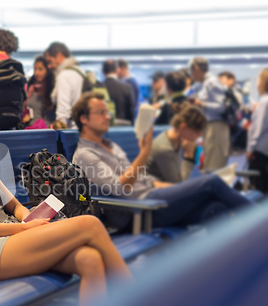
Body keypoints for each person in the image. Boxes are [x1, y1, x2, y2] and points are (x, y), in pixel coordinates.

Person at [0, 98, 132, 306]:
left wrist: (30, 219)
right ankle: (138, 303)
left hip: (13, 236)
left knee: (89, 260)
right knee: (89, 223)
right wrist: (22, 229)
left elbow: (16, 206)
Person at [71, 92, 251, 229]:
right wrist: (144, 153)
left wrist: (175, 189)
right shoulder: (85, 155)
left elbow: (143, 180)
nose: (108, 116)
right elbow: (120, 188)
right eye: (101, 112)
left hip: (152, 197)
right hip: (138, 208)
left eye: (107, 112)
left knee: (215, 209)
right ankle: (260, 221)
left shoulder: (111, 145)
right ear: (84, 119)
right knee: (212, 183)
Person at [146, 103, 207, 183]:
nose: (199, 135)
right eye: (197, 131)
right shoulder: (164, 149)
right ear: (183, 127)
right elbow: (178, 186)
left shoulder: (175, 141)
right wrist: (189, 157)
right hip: (152, 192)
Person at [190, 57, 229, 170]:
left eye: (191, 70)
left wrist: (202, 104)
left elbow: (222, 107)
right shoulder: (204, 83)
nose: (190, 74)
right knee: (209, 164)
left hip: (216, 127)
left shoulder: (211, 81)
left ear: (196, 68)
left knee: (213, 166)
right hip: (210, 127)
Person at [44, 42, 84, 128]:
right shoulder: (80, 72)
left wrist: (60, 131)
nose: (49, 66)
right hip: (83, 127)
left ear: (59, 56)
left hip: (72, 130)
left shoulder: (64, 76)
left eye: (50, 61)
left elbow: (63, 111)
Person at [247, 68, 268, 193]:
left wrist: (250, 148)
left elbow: (258, 127)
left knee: (259, 186)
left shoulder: (265, 101)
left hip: (260, 151)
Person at [23, 56, 56, 128]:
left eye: (40, 69)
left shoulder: (53, 90)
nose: (36, 73)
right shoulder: (30, 88)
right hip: (30, 129)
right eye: (35, 69)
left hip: (48, 131)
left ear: (47, 71)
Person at [102, 60, 134, 125]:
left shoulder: (98, 88)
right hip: (123, 127)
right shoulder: (127, 88)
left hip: (104, 126)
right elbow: (131, 111)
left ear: (103, 72)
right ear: (118, 70)